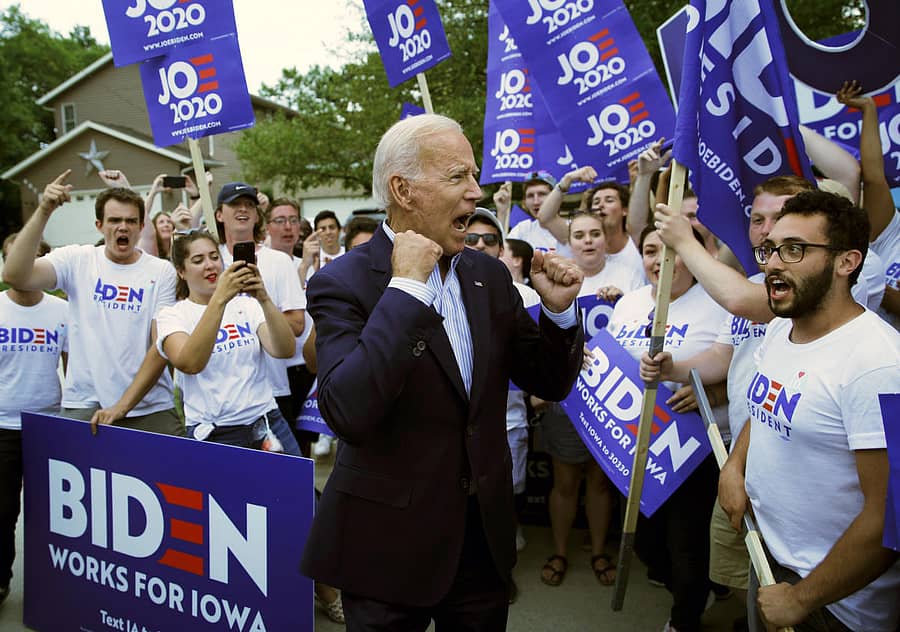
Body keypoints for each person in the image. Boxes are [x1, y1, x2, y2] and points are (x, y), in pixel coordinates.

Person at [300, 113, 585, 630]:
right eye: (458, 177)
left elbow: (549, 381)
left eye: (473, 176)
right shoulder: (341, 282)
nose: (475, 192)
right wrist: (406, 289)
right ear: (402, 189)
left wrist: (561, 314)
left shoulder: (489, 276)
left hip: (481, 540)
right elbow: (349, 410)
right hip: (387, 544)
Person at [718, 190, 900, 631]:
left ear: (847, 262)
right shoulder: (782, 329)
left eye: (794, 249)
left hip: (833, 606)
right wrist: (735, 467)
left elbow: (888, 520)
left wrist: (802, 599)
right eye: (770, 249)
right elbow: (764, 407)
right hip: (771, 563)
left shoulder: (879, 366)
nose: (773, 263)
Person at [639, 175, 814, 616]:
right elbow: (722, 356)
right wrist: (673, 369)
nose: (768, 230)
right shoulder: (752, 276)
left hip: (794, 467)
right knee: (739, 567)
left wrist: (684, 239)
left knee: (786, 583)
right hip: (742, 454)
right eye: (758, 219)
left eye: (782, 217)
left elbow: (738, 301)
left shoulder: (800, 287)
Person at [607, 225, 729, 632]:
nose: (659, 260)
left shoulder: (722, 302)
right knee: (645, 544)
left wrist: (716, 391)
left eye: (672, 250)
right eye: (650, 251)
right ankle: (699, 586)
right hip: (635, 445)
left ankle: (685, 616)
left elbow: (747, 365)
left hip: (691, 448)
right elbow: (607, 359)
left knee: (686, 543)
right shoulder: (630, 303)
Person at [2, 171, 182, 435]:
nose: (123, 227)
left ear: (141, 227)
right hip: (85, 404)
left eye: (131, 221)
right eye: (114, 220)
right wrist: (43, 210)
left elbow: (159, 347)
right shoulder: (77, 260)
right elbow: (14, 275)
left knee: (174, 473)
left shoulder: (161, 271)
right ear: (99, 225)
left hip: (149, 406)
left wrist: (122, 406)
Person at [538, 211, 646, 591]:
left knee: (601, 483)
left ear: (606, 237)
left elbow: (644, 326)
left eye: (594, 234)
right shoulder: (552, 274)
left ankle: (600, 551)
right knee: (564, 482)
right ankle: (561, 551)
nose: (587, 241)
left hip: (613, 396)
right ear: (569, 240)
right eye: (579, 234)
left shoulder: (630, 275)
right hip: (568, 396)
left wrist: (624, 302)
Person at [155, 230, 295, 448]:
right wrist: (219, 299)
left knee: (295, 483)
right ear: (181, 271)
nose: (210, 265)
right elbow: (190, 363)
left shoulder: (246, 305)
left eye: (214, 257)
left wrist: (264, 298)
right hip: (215, 433)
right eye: (198, 260)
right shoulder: (172, 315)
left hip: (265, 422)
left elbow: (284, 349)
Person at [465, 207, 537, 604]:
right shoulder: (442, 285)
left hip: (507, 418)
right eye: (471, 238)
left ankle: (500, 573)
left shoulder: (522, 295)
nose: (479, 246)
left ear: (502, 248)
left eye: (489, 240)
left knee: (503, 502)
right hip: (456, 427)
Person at [0, 234, 68, 606]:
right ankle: (1, 581)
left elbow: (72, 371)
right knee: (3, 511)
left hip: (48, 427)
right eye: (13, 259)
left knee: (54, 517)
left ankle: (52, 587)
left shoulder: (61, 311)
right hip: (3, 427)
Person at [214, 182, 306, 456]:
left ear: (257, 215)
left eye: (249, 205)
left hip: (272, 391)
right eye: (234, 204)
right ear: (219, 214)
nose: (243, 209)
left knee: (287, 479)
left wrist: (257, 311)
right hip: (222, 397)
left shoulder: (279, 261)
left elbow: (297, 325)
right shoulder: (209, 260)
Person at [836, 79, 900, 328]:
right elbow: (873, 178)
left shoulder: (862, 270)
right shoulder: (893, 233)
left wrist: (862, 277)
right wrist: (868, 109)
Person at [537, 168, 643, 276]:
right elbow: (545, 218)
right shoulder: (578, 236)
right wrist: (567, 180)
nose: (601, 205)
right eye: (596, 202)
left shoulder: (638, 239)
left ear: (625, 210)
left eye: (609, 200)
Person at [495, 170, 572, 256]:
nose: (536, 202)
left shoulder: (573, 228)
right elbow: (502, 256)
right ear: (524, 202)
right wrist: (502, 212)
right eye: (530, 196)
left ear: (555, 198)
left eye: (542, 194)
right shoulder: (523, 230)